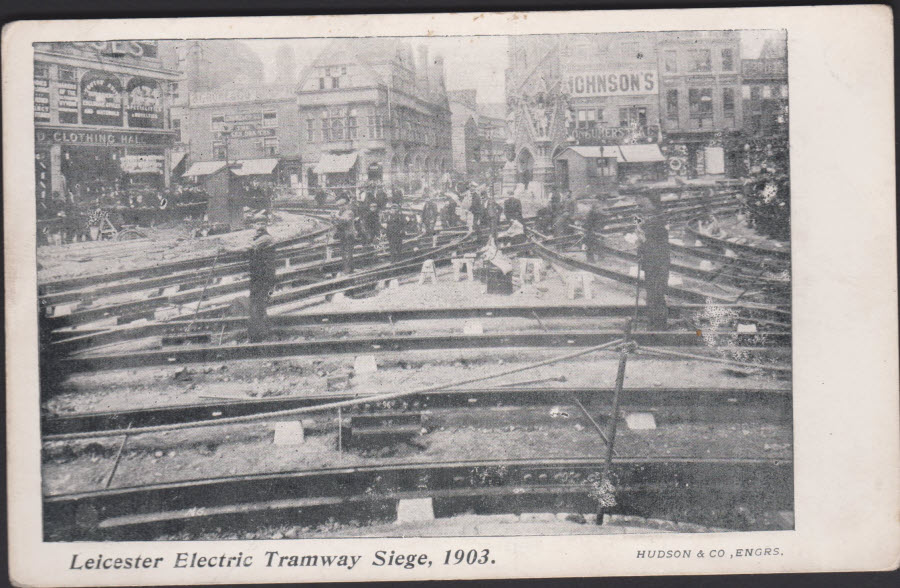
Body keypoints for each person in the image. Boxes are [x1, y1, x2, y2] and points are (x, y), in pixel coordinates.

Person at [636, 192, 670, 330]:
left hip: (657, 262)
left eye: (644, 205)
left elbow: (651, 243)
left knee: (656, 293)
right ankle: (655, 322)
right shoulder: (653, 218)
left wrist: (641, 238)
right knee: (653, 293)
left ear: (653, 204)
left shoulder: (656, 221)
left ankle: (658, 325)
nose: (641, 209)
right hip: (653, 261)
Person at [247, 223, 276, 342]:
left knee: (258, 303)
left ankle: (260, 334)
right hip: (259, 275)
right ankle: (261, 332)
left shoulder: (266, 238)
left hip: (264, 276)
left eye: (258, 226)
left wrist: (228, 250)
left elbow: (249, 247)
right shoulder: (261, 238)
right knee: (257, 302)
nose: (256, 229)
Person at [333, 195, 357, 274]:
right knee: (343, 252)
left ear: (345, 205)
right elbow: (338, 223)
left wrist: (337, 217)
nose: (340, 207)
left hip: (349, 235)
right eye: (339, 206)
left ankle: (349, 269)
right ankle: (346, 268)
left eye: (341, 205)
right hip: (343, 234)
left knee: (349, 253)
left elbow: (346, 220)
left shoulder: (349, 212)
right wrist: (333, 219)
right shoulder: (340, 213)